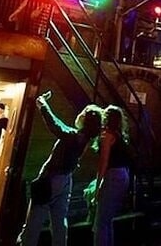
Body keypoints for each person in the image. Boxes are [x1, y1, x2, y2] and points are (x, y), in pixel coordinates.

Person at [17, 92, 102, 246]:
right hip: (65, 179)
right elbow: (61, 127)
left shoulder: (74, 136)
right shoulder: (84, 138)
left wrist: (43, 104)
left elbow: (55, 125)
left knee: (34, 221)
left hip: (51, 178)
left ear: (84, 119)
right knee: (59, 221)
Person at [92, 105, 132, 246]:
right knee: (107, 220)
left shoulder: (106, 135)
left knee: (101, 222)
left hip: (113, 175)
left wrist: (97, 188)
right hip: (124, 175)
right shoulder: (119, 135)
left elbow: (104, 162)